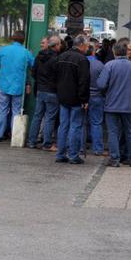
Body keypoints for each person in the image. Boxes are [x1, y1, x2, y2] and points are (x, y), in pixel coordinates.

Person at [97, 41, 131, 167]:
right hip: (128, 105)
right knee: (130, 132)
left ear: (114, 52)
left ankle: (114, 159)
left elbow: (101, 84)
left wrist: (107, 92)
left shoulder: (109, 65)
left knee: (113, 132)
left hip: (111, 105)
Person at [0, 30, 34, 143]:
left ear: (12, 38)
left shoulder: (3, 50)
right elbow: (33, 67)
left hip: (3, 85)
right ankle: (14, 136)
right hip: (18, 87)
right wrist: (28, 83)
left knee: (2, 110)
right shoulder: (26, 53)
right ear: (23, 40)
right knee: (16, 111)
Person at [54, 35, 91, 164]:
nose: (88, 48)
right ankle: (73, 155)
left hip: (62, 97)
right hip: (76, 99)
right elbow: (84, 82)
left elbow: (55, 77)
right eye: (87, 45)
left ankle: (60, 154)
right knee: (75, 126)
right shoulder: (82, 60)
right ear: (82, 45)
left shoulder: (61, 56)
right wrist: (84, 99)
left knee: (63, 126)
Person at [28, 36, 60, 150]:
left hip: (40, 89)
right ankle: (47, 144)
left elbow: (33, 72)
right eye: (59, 44)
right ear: (56, 45)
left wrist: (40, 81)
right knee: (49, 118)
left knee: (37, 116)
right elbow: (59, 76)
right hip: (52, 91)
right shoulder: (56, 59)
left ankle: (32, 141)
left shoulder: (39, 56)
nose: (60, 46)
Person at [86, 43, 107, 156]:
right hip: (97, 96)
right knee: (96, 123)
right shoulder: (100, 65)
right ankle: (98, 149)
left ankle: (80, 147)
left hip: (82, 97)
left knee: (80, 123)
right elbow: (104, 83)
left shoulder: (81, 62)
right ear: (94, 52)